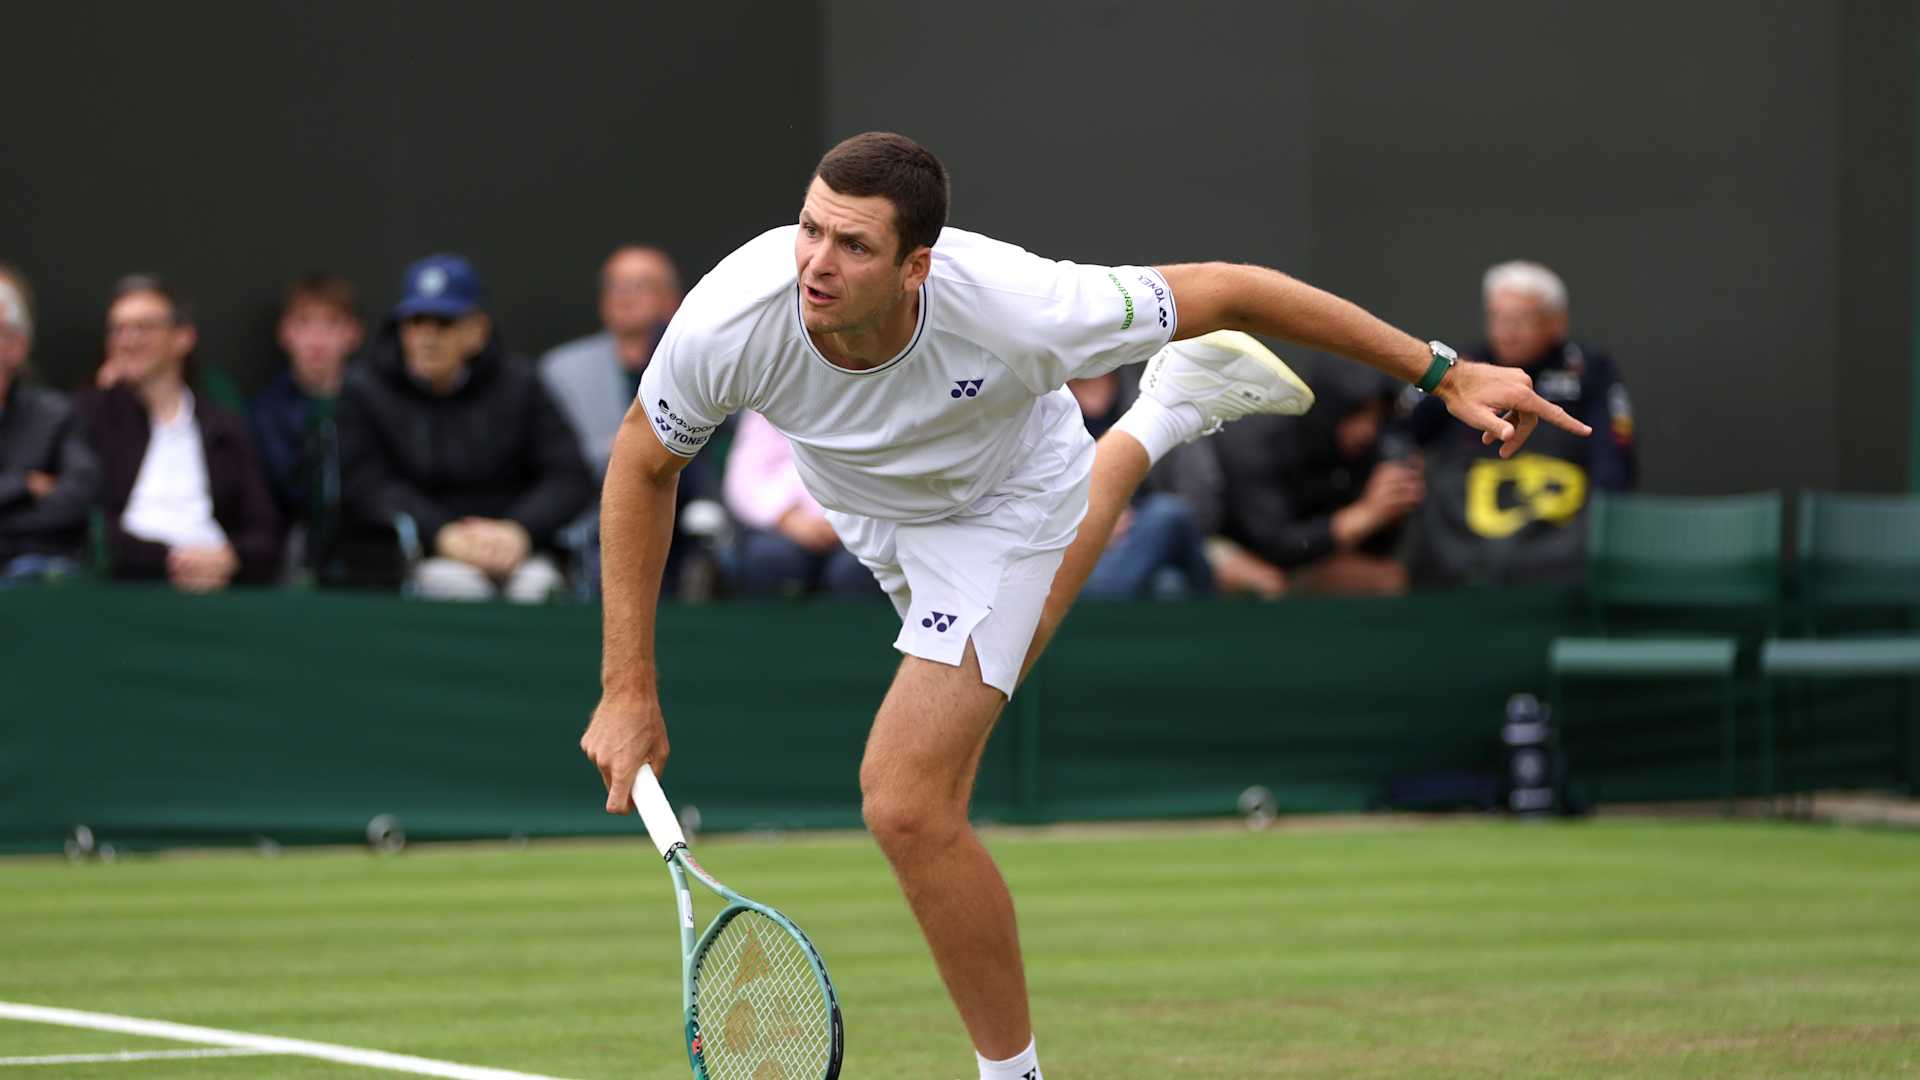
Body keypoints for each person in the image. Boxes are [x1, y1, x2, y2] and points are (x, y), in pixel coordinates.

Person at [578, 133, 1587, 1080]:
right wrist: (627, 687)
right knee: (1006, 674)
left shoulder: (1022, 306)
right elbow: (643, 463)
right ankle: (1166, 412)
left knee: (907, 801)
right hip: (876, 515)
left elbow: (1233, 287)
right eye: (808, 228)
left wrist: (1444, 372)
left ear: (916, 267)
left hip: (1012, 498)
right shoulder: (732, 316)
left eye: (853, 244)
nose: (815, 263)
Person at [335, 255, 593, 601]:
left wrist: (519, 530)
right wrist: (442, 534)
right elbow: (365, 483)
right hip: (419, 556)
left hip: (515, 549)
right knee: (457, 588)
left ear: (478, 331)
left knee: (537, 588)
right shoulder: (365, 390)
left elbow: (569, 474)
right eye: (415, 322)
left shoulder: (521, 385)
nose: (427, 336)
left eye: (443, 322)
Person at [1403, 260, 1634, 587]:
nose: (1506, 331)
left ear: (1557, 322)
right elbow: (1403, 429)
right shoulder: (1464, 366)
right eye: (1497, 318)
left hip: (1559, 528)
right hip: (1468, 527)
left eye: (1520, 320)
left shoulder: (1589, 369)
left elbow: (1613, 459)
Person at [77, 276, 282, 590]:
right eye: (118, 329)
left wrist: (230, 558)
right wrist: (173, 560)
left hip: (219, 590)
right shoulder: (90, 416)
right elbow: (88, 523)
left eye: (144, 327)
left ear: (183, 337)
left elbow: (265, 532)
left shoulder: (223, 427)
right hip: (127, 587)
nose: (128, 340)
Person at [540, 247, 715, 597]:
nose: (625, 297)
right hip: (594, 505)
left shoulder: (705, 363)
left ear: (672, 300)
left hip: (683, 501)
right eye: (616, 287)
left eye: (640, 286)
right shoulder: (561, 368)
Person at [1208, 362, 1422, 594]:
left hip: (1300, 558)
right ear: (1330, 410)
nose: (1367, 430)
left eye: (1375, 417)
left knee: (1386, 578)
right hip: (1219, 542)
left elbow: (1373, 550)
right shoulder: (1261, 442)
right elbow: (1273, 543)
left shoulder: (1370, 450)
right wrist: (1366, 514)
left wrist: (1390, 513)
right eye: (1355, 414)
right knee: (1263, 583)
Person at [248, 273, 364, 575]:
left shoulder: (375, 405)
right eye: (304, 323)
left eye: (331, 324)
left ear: (353, 333)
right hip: (290, 551)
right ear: (285, 333)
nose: (317, 339)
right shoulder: (265, 412)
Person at [1066, 370, 1214, 598]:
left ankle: (1088, 609)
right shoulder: (1041, 409)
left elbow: (1199, 494)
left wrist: (1128, 521)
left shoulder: (1154, 397)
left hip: (1147, 529)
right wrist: (1092, 523)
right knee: (1169, 586)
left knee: (1166, 514)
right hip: (1073, 541)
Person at [0, 264, 101, 583]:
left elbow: (77, 499)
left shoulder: (56, 415)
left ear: (17, 345)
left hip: (30, 569)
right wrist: (24, 485)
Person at [721, 409, 880, 598]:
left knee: (858, 569)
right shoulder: (769, 393)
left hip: (861, 525)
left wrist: (846, 520)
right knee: (769, 560)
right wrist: (786, 517)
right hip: (781, 527)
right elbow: (743, 478)